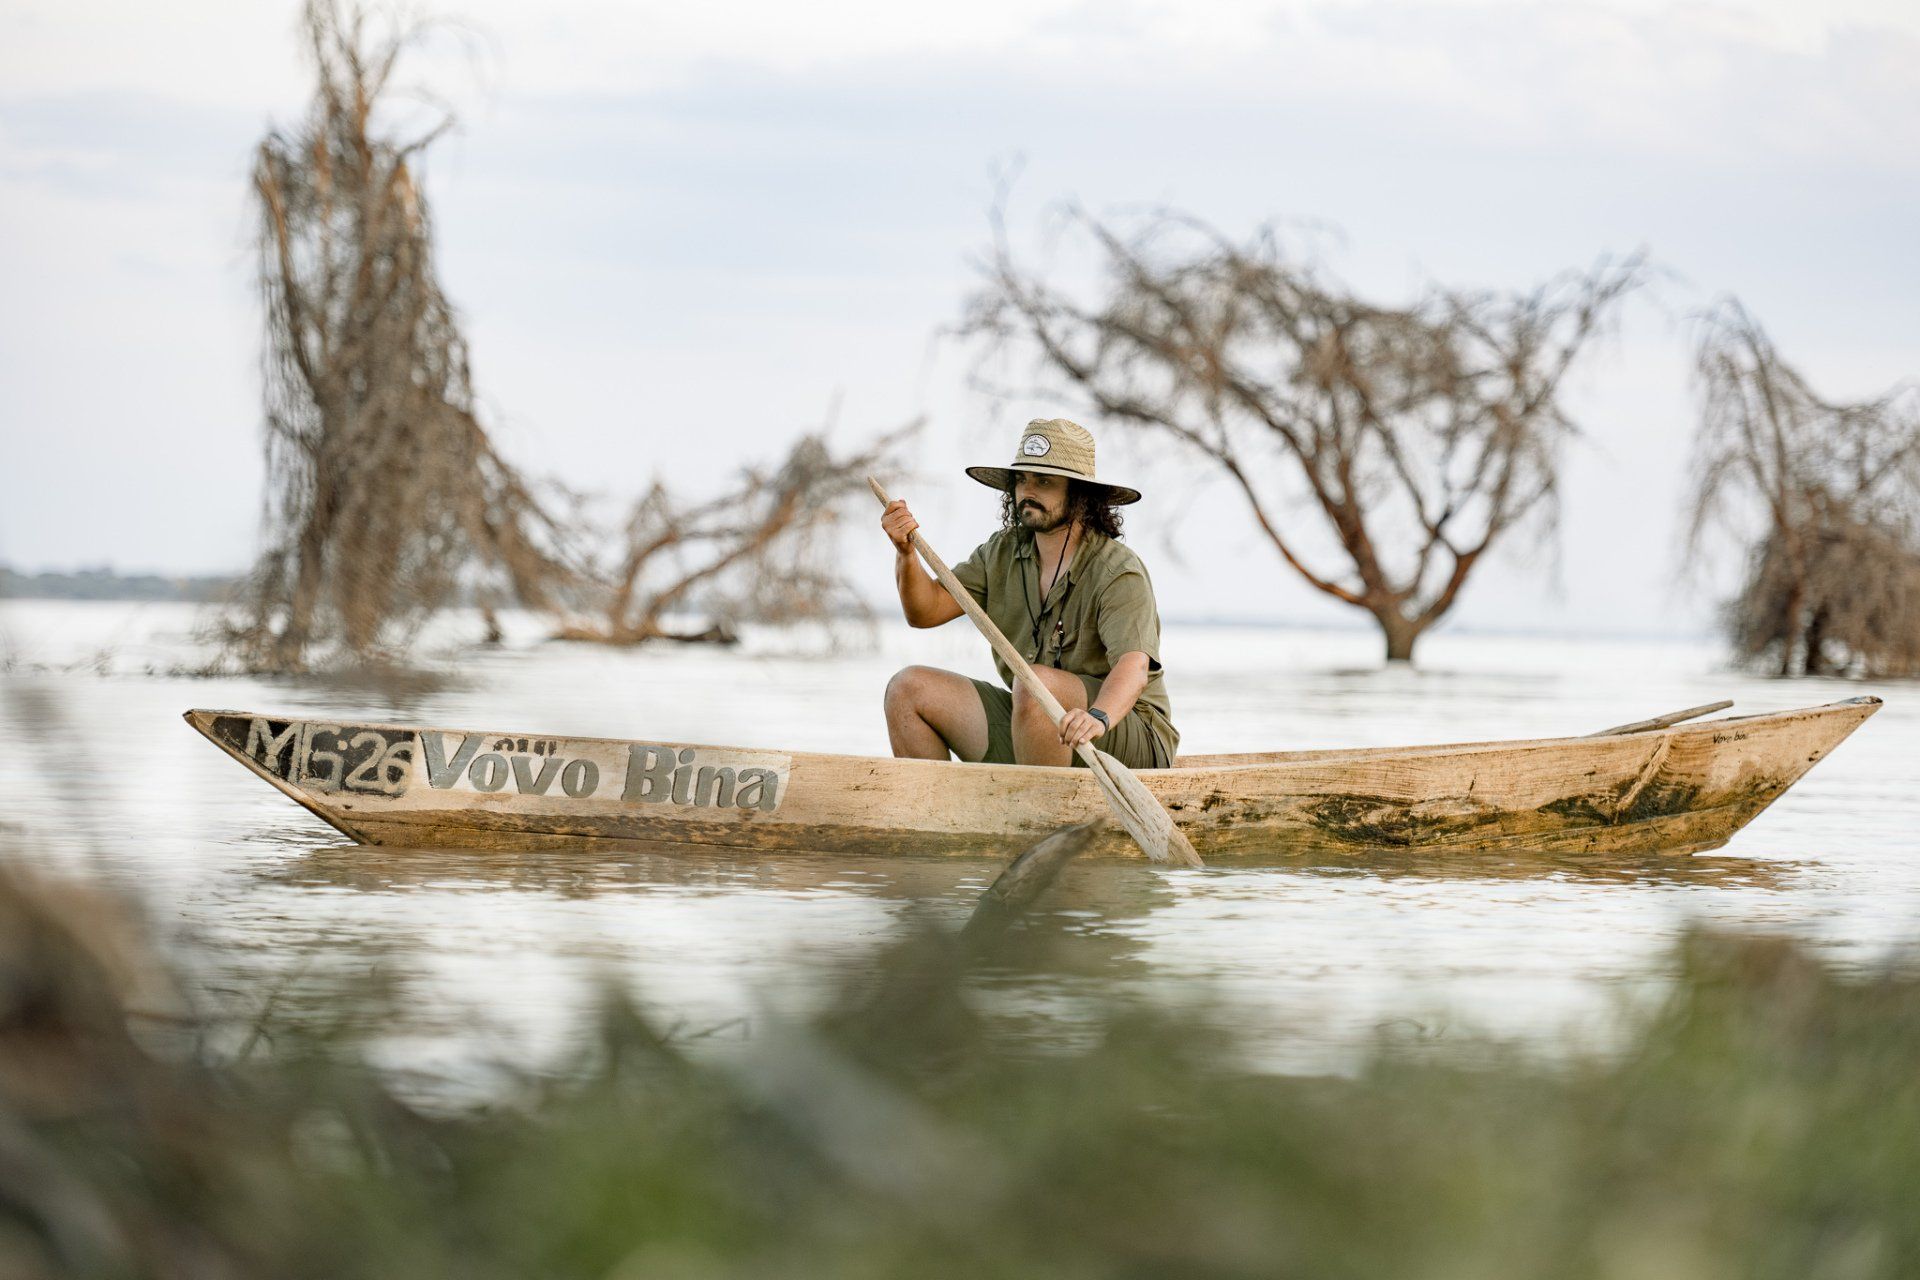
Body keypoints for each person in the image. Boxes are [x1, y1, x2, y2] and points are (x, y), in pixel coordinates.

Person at [880, 417, 1179, 769]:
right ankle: (939, 817)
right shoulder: (1001, 552)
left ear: (1079, 494)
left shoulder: (1116, 570)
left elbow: (1134, 666)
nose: (1028, 491)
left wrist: (1097, 717)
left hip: (1123, 734)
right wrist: (905, 553)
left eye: (1044, 481)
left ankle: (1041, 818)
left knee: (1037, 686)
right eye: (1021, 479)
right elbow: (924, 612)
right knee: (906, 689)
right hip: (1036, 725)